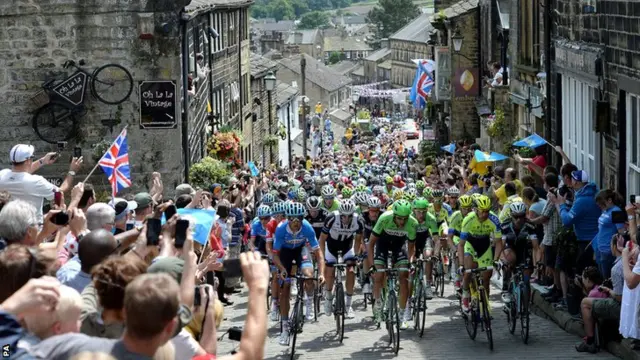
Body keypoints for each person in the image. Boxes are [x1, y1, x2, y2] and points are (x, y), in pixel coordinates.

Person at [272, 202, 325, 346]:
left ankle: (309, 302)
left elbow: (318, 253)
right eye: (292, 219)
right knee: (285, 289)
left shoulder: (307, 227)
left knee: (308, 275)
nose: (295, 223)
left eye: (298, 219)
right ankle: (284, 328)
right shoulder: (281, 229)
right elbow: (275, 255)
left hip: (301, 250)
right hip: (285, 254)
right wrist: (282, 269)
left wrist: (321, 273)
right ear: (288, 218)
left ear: (302, 218)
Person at [368, 199, 418, 329]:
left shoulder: (413, 223)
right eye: (399, 218)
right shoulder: (384, 218)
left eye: (405, 219)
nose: (402, 222)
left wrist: (411, 263)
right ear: (394, 215)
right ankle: (378, 304)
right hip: (382, 245)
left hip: (398, 246)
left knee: (403, 276)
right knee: (379, 276)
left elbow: (412, 248)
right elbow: (371, 243)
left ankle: (402, 315)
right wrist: (372, 265)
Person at [0, 144, 82, 223]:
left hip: (7, 229)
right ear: (28, 161)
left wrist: (43, 161)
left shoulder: (2, 175)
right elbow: (60, 191)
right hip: (31, 230)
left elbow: (21, 173)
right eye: (32, 157)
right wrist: (72, 171)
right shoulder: (36, 181)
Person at [576, 234, 627, 353]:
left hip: (621, 306)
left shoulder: (617, 268)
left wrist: (609, 291)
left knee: (585, 303)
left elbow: (619, 298)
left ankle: (590, 341)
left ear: (615, 247)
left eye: (610, 244)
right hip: (627, 304)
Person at [319, 200, 364, 320]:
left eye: (349, 216)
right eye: (344, 215)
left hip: (347, 246)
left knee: (351, 271)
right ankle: (328, 297)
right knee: (329, 272)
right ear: (340, 213)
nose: (346, 218)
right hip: (331, 245)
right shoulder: (331, 218)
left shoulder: (358, 220)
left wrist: (356, 257)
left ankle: (348, 305)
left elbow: (358, 240)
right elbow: (322, 239)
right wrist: (322, 257)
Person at [550, 169, 600, 274]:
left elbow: (567, 221)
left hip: (586, 240)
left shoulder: (582, 200)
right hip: (594, 238)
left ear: (576, 182)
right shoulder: (592, 192)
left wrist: (561, 204)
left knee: (583, 272)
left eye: (572, 179)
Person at [458, 195, 502, 313]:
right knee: (468, 269)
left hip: (485, 245)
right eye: (483, 211)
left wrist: (496, 260)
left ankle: (486, 305)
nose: (485, 214)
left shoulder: (494, 219)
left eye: (487, 211)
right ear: (476, 210)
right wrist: (461, 265)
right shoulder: (468, 219)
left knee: (486, 279)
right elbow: (461, 244)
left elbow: (498, 243)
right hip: (470, 244)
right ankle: (465, 294)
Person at [498, 202, 538, 303]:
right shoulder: (504, 226)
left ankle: (526, 306)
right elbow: (501, 246)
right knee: (508, 261)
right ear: (511, 215)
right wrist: (502, 260)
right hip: (509, 249)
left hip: (524, 251)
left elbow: (536, 248)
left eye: (521, 216)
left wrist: (537, 264)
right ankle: (506, 287)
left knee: (526, 280)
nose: (519, 220)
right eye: (516, 217)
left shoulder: (530, 226)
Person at [593, 189, 625, 278]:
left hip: (608, 250)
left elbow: (621, 232)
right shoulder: (605, 210)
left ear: (609, 200)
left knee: (606, 278)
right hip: (600, 248)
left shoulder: (616, 211)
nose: (599, 206)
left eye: (601, 203)